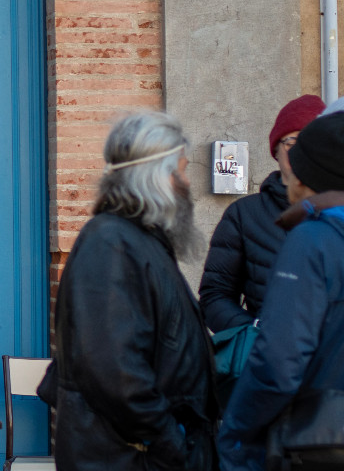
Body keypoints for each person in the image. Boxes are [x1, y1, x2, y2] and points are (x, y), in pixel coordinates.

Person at [46, 111, 217, 471]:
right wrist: (168, 440)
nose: (187, 183)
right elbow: (115, 371)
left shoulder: (139, 242)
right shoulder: (109, 243)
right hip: (127, 458)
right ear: (157, 177)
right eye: (182, 170)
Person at [218, 111, 344, 471]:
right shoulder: (247, 215)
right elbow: (217, 292)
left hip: (317, 440)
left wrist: (236, 434)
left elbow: (279, 364)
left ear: (308, 176)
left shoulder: (313, 238)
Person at [199, 95, 324, 334]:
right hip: (269, 362)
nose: (304, 151)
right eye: (293, 141)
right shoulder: (245, 215)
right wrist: (257, 332)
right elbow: (215, 296)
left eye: (313, 142)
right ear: (276, 150)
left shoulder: (337, 212)